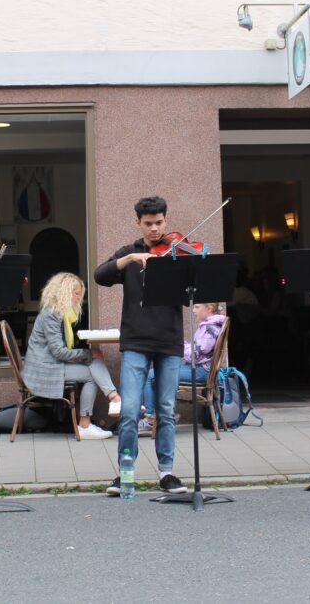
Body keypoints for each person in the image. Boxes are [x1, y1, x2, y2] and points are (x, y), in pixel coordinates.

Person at [94, 196, 188, 496]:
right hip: (135, 340)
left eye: (159, 222)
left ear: (166, 220)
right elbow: (101, 275)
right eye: (148, 224)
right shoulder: (130, 253)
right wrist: (130, 260)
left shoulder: (176, 253)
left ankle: (167, 473)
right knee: (130, 411)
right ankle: (125, 473)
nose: (154, 229)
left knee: (166, 409)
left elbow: (191, 290)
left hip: (169, 340)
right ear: (139, 223)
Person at [22, 272, 122, 440]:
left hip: (51, 365)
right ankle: (93, 417)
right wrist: (87, 353)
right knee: (92, 371)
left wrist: (88, 355)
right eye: (76, 294)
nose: (78, 299)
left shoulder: (59, 314)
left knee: (94, 362)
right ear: (64, 292)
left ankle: (109, 404)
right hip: (44, 370)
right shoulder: (52, 315)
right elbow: (59, 352)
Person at [140, 302, 226, 434]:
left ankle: (151, 418)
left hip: (200, 372)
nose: (193, 310)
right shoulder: (209, 325)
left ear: (209, 309)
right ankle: (168, 413)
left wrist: (178, 343)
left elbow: (194, 355)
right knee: (161, 371)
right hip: (201, 369)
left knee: (149, 375)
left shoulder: (210, 327)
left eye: (197, 307)